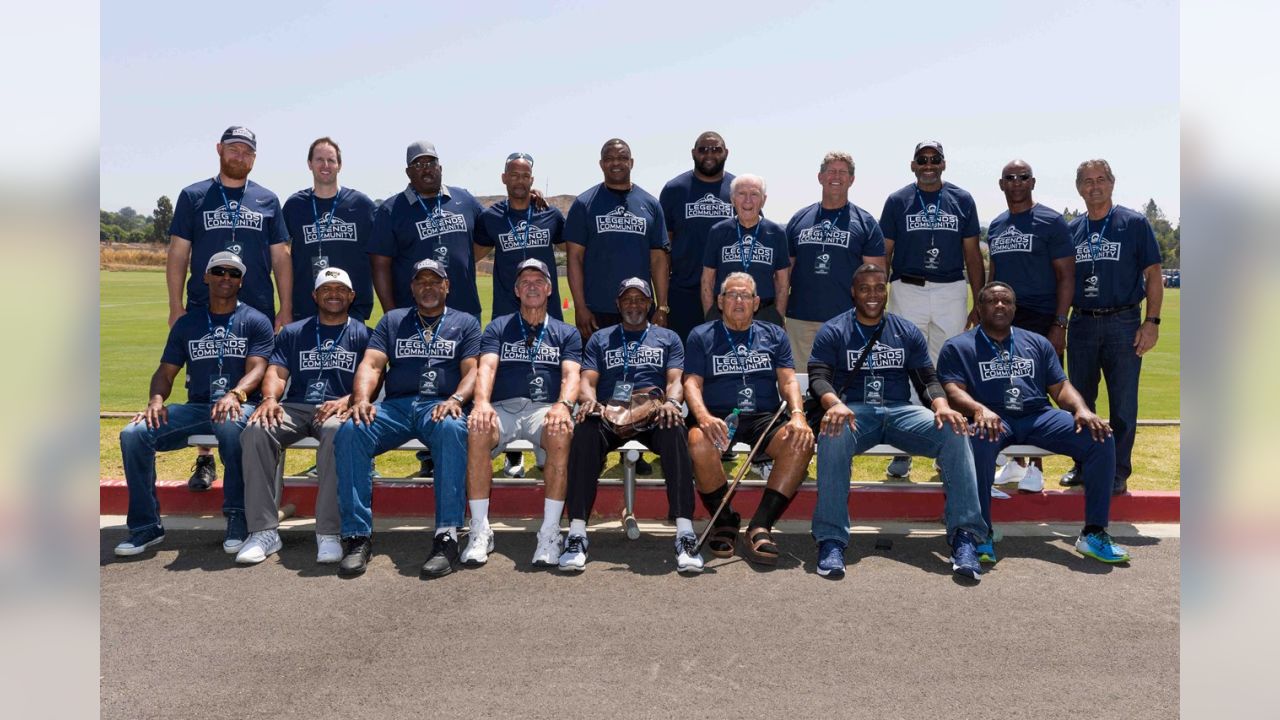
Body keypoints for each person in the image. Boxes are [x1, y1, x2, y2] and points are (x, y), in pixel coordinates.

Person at [808, 264, 985, 579]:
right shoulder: (834, 330)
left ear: (886, 291)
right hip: (855, 411)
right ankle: (831, 540)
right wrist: (833, 404)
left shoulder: (905, 330)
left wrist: (942, 405)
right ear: (854, 292)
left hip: (900, 410)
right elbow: (818, 377)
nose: (873, 294)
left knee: (955, 432)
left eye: (879, 287)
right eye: (865, 288)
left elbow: (926, 378)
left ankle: (965, 537)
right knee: (833, 433)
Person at [938, 282, 1130, 564]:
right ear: (979, 308)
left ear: (1015, 308)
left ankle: (1094, 533)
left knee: (1098, 435)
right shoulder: (958, 346)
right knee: (977, 440)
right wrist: (979, 410)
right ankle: (981, 533)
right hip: (992, 418)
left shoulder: (1036, 342)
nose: (1000, 306)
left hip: (1037, 415)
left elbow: (1060, 387)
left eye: (1007, 301)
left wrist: (1082, 409)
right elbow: (953, 390)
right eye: (992, 301)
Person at [115, 252, 274, 556]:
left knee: (229, 424)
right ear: (205, 277)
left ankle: (238, 516)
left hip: (240, 406)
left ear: (241, 281)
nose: (225, 278)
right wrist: (156, 400)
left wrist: (236, 394)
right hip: (198, 407)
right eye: (218, 271)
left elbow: (258, 368)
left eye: (233, 273)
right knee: (134, 435)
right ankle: (146, 526)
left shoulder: (255, 320)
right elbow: (165, 371)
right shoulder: (188, 323)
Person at [333, 259, 481, 577]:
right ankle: (357, 536)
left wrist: (456, 399)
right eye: (421, 282)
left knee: (453, 429)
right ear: (412, 288)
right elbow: (372, 365)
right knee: (351, 429)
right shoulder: (393, 320)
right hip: (397, 407)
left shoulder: (465, 322)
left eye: (435, 281)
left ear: (447, 286)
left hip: (439, 404)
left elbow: (472, 371)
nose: (428, 287)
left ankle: (447, 536)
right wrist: (360, 400)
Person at [166, 126, 292, 490]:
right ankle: (206, 458)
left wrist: (284, 308)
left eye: (247, 152)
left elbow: (281, 257)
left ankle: (256, 463)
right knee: (203, 383)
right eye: (233, 149)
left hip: (257, 307)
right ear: (219, 150)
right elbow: (178, 253)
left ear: (254, 157)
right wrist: (175, 306)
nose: (239, 157)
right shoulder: (193, 196)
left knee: (253, 382)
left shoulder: (267, 199)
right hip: (206, 304)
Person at [559, 278, 701, 573]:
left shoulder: (668, 337)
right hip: (611, 410)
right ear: (618, 304)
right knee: (585, 430)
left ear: (649, 304)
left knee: (675, 429)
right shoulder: (601, 338)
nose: (634, 305)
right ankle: (576, 533)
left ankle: (685, 533)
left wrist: (673, 405)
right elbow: (587, 381)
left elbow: (675, 380)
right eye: (627, 299)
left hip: (651, 410)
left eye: (640, 299)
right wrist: (589, 401)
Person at [235, 267, 371, 565]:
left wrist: (350, 400)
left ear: (351, 296)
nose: (333, 294)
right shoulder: (295, 332)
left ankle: (328, 532)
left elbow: (373, 376)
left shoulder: (363, 334)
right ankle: (263, 531)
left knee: (339, 433)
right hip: (296, 406)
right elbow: (277, 371)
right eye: (326, 289)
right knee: (256, 429)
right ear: (314, 295)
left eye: (339, 290)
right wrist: (270, 398)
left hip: (338, 406)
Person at [368, 140, 485, 479]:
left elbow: (482, 239)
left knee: (464, 379)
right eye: (418, 165)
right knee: (422, 383)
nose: (426, 169)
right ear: (408, 172)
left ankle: (458, 449)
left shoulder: (463, 199)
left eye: (431, 162)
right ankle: (429, 454)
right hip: (416, 315)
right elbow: (380, 263)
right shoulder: (393, 209)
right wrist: (392, 312)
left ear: (440, 166)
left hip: (463, 312)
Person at [684, 272, 814, 566]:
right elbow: (691, 383)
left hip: (763, 418)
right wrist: (703, 417)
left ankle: (760, 525)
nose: (738, 301)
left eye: (745, 296)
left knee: (800, 441)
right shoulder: (701, 335)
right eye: (731, 295)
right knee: (698, 441)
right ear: (720, 301)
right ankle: (726, 520)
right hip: (719, 416)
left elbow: (789, 380)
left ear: (756, 303)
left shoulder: (774, 334)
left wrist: (797, 415)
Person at [464, 259, 582, 568]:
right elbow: (486, 367)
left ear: (549, 288)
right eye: (525, 282)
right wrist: (482, 403)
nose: (532, 286)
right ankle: (480, 530)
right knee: (476, 429)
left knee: (559, 430)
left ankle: (550, 532)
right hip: (502, 406)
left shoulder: (565, 332)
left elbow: (572, 375)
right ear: (516, 290)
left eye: (538, 281)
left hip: (544, 409)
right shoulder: (498, 327)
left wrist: (563, 405)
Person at [877, 141, 983, 479]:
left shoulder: (962, 199)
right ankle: (903, 449)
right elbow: (885, 253)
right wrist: (880, 293)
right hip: (907, 287)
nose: (928, 165)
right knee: (905, 365)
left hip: (951, 287)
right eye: (922, 160)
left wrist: (978, 299)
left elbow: (972, 255)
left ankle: (945, 446)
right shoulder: (898, 200)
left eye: (934, 159)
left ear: (943, 163)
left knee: (947, 368)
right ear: (912, 165)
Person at [1059, 159, 1163, 496]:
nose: (1094, 186)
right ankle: (1082, 462)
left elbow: (1154, 276)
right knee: (1079, 400)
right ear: (1079, 187)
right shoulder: (1072, 229)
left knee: (1122, 404)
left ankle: (1118, 470)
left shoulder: (1133, 223)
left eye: (1100, 179)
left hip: (1123, 320)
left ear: (1112, 183)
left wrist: (1152, 321)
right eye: (1087, 181)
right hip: (1083, 322)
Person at [473, 152, 567, 480]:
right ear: (504, 178)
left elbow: (572, 246)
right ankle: (513, 454)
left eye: (525, 175)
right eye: (513, 174)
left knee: (547, 374)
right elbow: (473, 251)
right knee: (506, 380)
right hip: (506, 311)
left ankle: (546, 445)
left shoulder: (550, 215)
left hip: (546, 311)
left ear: (532, 179)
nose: (519, 180)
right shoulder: (491, 218)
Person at [985, 160, 1075, 493]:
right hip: (1002, 318)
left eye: (1023, 177)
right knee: (1001, 389)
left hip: (1041, 317)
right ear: (1001, 184)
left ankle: (1036, 468)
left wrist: (1060, 323)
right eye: (1010, 178)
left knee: (1037, 393)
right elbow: (993, 274)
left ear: (1033, 181)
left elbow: (1067, 276)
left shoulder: (1051, 220)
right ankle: (1014, 461)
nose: (1017, 182)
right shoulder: (995, 225)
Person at [784, 151, 886, 367]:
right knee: (801, 386)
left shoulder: (865, 222)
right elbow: (784, 275)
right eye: (830, 171)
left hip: (846, 321)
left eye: (843, 172)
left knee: (842, 386)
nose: (836, 177)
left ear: (852, 179)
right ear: (820, 177)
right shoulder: (799, 219)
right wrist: (780, 314)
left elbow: (876, 279)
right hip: (801, 319)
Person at [566, 138, 671, 340]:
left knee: (643, 369)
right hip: (596, 310)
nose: (616, 163)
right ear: (601, 164)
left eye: (622, 158)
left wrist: (662, 307)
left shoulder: (650, 204)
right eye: (609, 158)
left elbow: (659, 260)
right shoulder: (583, 204)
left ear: (631, 162)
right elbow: (574, 259)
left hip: (640, 308)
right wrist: (580, 307)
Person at [281, 137, 377, 321]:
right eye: (319, 159)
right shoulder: (295, 206)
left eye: (331, 160)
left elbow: (380, 255)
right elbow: (281, 254)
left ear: (339, 165)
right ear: (309, 164)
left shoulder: (362, 205)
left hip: (352, 307)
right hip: (307, 306)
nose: (325, 165)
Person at [659, 131, 735, 341]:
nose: (709, 154)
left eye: (716, 149)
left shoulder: (739, 189)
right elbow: (663, 249)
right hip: (684, 293)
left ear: (726, 153)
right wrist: (663, 304)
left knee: (723, 360)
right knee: (682, 359)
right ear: (693, 153)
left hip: (728, 294)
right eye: (703, 149)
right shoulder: (675, 189)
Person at [701, 174, 789, 327]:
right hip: (724, 314)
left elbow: (782, 283)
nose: (748, 200)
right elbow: (707, 281)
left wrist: (778, 318)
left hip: (764, 314)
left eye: (754, 194)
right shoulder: (718, 231)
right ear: (732, 199)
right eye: (741, 194)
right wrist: (710, 316)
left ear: (763, 200)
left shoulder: (776, 233)